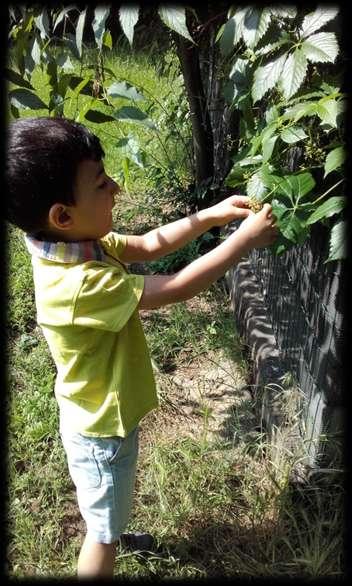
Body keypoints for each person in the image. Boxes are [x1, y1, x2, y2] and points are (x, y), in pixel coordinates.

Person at [6, 116, 277, 578]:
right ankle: (106, 538)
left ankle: (110, 523)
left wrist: (210, 215)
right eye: (100, 183)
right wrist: (240, 243)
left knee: (109, 503)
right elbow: (175, 287)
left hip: (98, 416)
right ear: (62, 215)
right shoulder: (78, 283)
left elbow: (149, 243)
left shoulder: (75, 244)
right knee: (102, 534)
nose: (115, 188)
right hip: (101, 431)